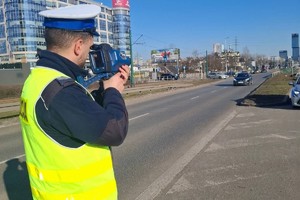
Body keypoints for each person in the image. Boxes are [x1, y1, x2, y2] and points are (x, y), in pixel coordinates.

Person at [19, 4, 129, 200]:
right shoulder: (62, 92)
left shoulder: (39, 78)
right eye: (88, 48)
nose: (88, 56)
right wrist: (113, 91)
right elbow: (115, 130)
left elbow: (76, 114)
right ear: (78, 46)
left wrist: (105, 90)